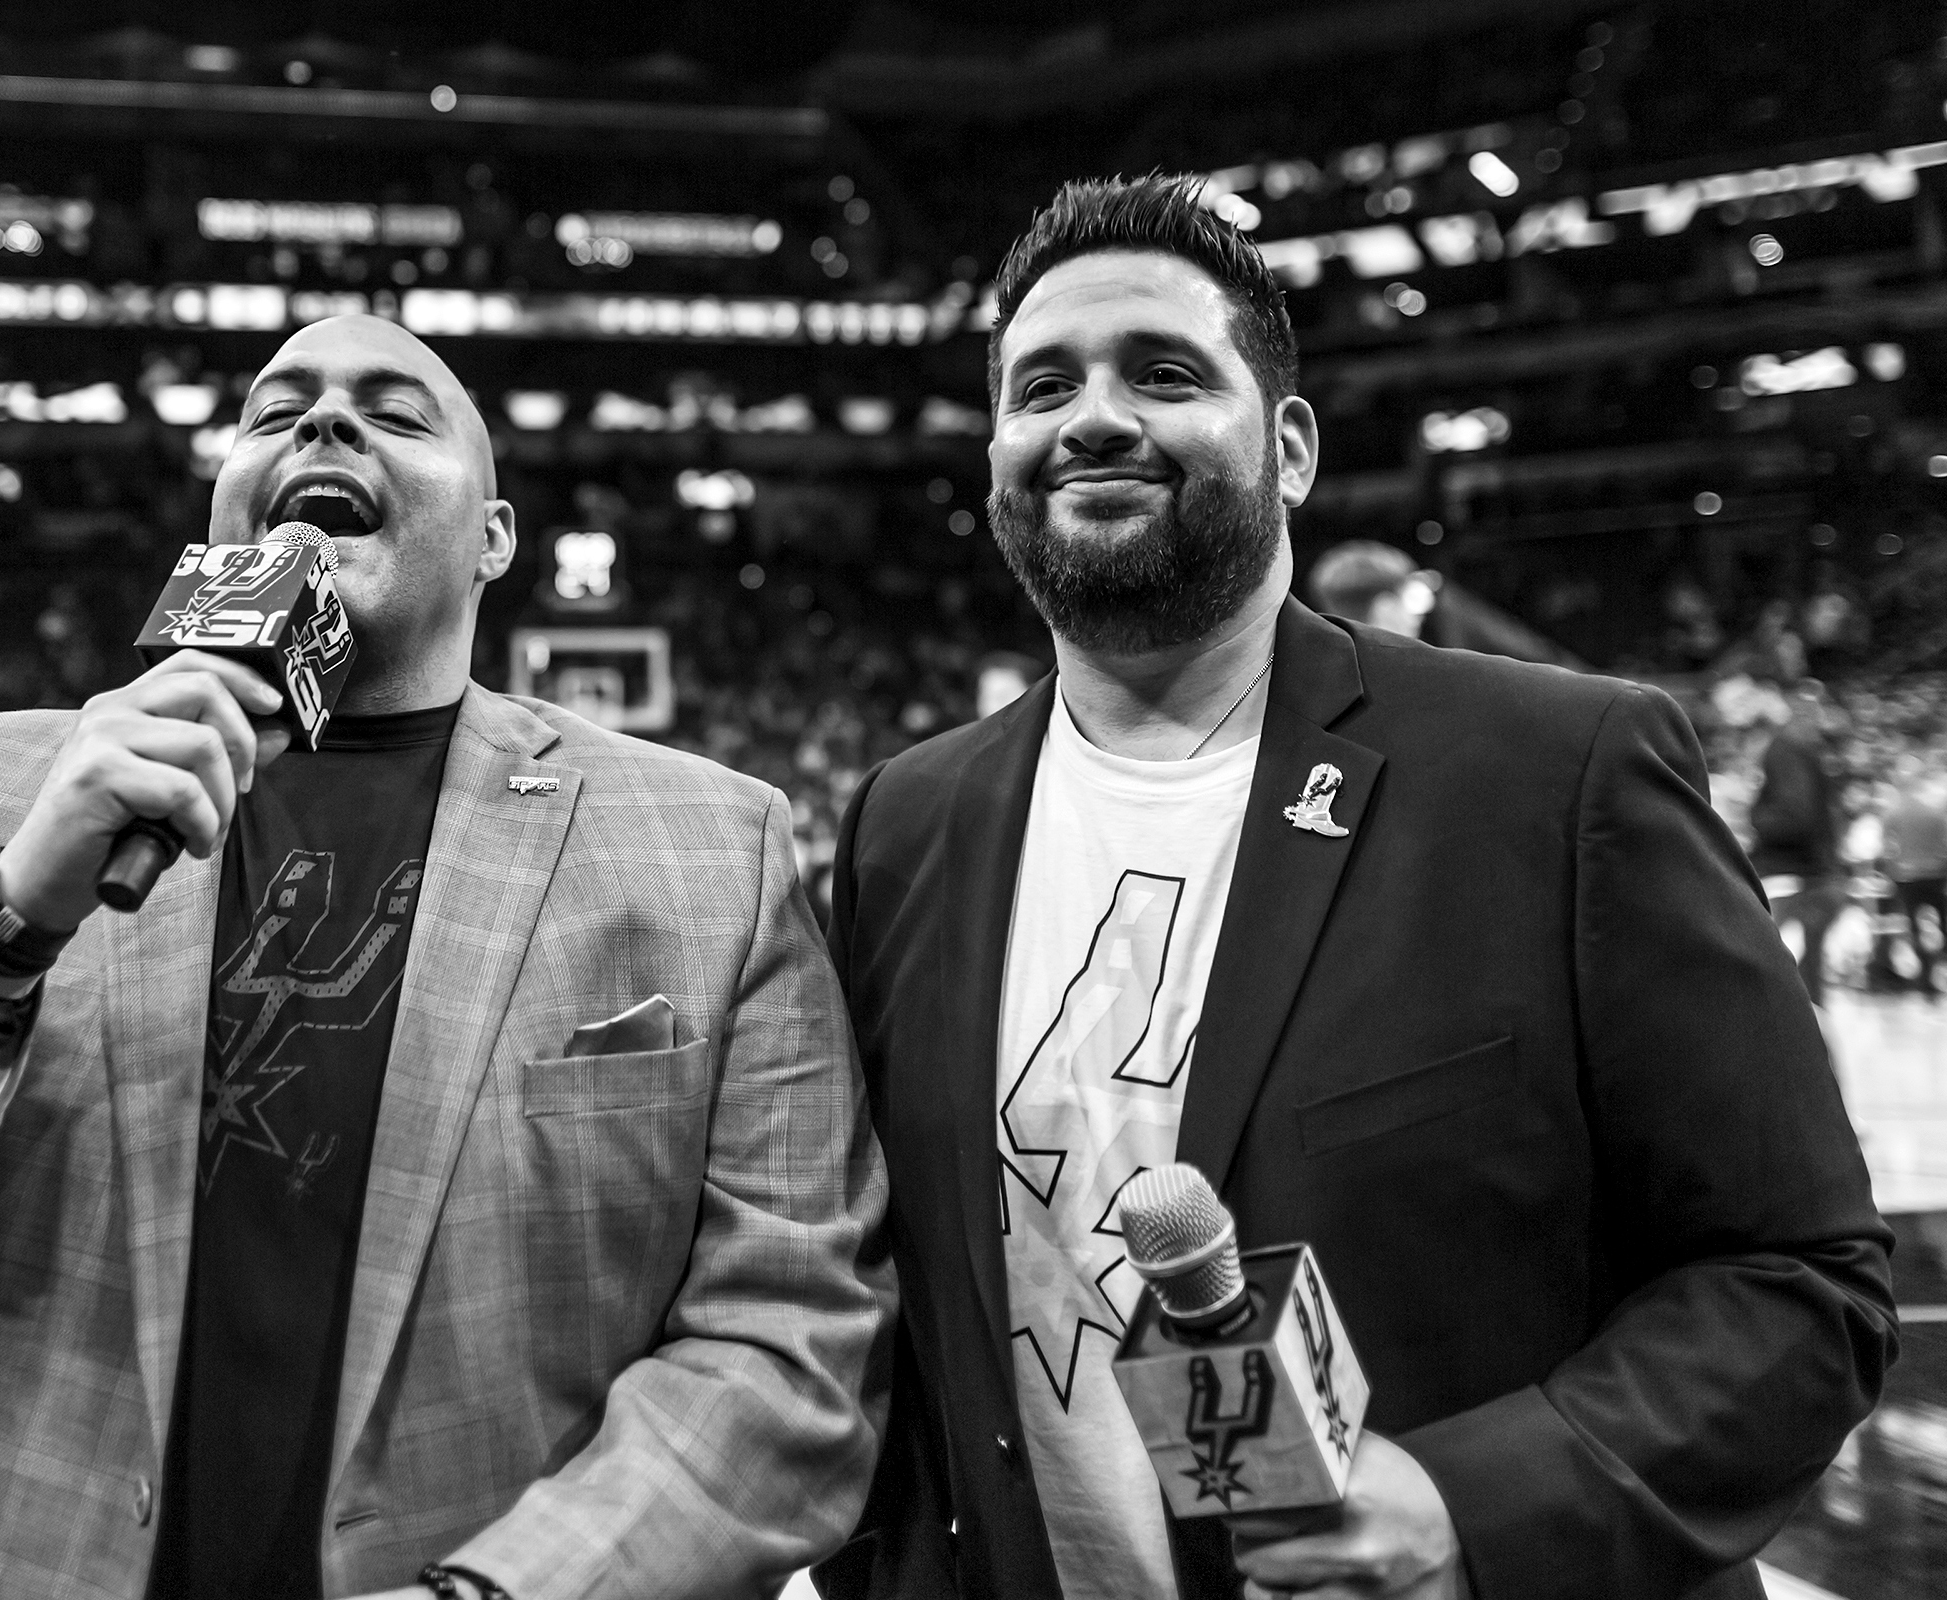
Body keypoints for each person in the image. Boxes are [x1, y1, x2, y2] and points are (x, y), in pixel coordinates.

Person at [0, 314, 891, 1600]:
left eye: (396, 414)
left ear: (495, 538)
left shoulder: (708, 842)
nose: (324, 422)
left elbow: (789, 1339)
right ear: (224, 511)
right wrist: (2, 914)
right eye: (275, 413)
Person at [814, 175, 1892, 1600]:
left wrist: (1468, 1514)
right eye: (1043, 386)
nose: (1093, 418)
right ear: (1001, 453)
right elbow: (885, 1311)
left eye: (1164, 373)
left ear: (1292, 448)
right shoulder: (905, 823)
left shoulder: (1557, 773)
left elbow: (1800, 1282)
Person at [1750, 682, 1843, 1006]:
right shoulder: (1806, 747)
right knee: (1808, 986)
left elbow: (1794, 816)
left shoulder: (1785, 747)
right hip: (1817, 874)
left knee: (1771, 979)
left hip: (1791, 878)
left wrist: (1754, 818)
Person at [1881, 758, 1947, 998]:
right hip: (1935, 874)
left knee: (1913, 925)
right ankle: (1937, 968)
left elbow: (1887, 846)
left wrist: (1892, 868)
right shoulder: (1934, 810)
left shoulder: (1893, 810)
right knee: (1942, 922)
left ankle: (1924, 981)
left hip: (1906, 875)